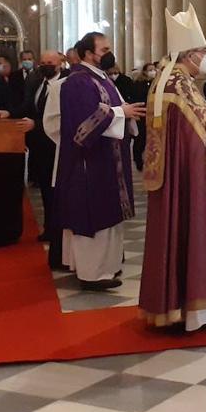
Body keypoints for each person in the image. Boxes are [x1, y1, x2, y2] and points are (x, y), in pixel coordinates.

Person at [140, 5, 206, 329]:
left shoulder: (168, 79)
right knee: (194, 229)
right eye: (201, 51)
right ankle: (197, 307)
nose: (205, 56)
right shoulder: (178, 84)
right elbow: (196, 132)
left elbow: (189, 124)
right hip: (188, 181)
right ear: (189, 54)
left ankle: (175, 305)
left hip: (175, 178)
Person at [55, 32, 144, 290]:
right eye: (103, 49)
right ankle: (92, 273)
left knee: (110, 214)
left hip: (109, 158)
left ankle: (107, 266)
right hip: (90, 163)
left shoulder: (102, 79)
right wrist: (120, 112)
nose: (109, 53)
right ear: (87, 54)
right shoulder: (78, 82)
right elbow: (83, 124)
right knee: (94, 214)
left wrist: (127, 115)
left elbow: (113, 110)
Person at [25, 51, 65, 266]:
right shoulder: (38, 82)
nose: (46, 66)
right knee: (45, 191)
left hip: (56, 145)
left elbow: (60, 118)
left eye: (50, 63)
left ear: (60, 63)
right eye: (43, 63)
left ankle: (56, 229)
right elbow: (32, 108)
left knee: (56, 190)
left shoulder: (66, 83)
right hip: (39, 147)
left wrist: (36, 125)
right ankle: (49, 227)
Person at [128, 62, 155, 170]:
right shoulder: (138, 84)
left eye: (154, 69)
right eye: (150, 70)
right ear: (144, 72)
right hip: (142, 113)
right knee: (140, 139)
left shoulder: (156, 82)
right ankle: (138, 160)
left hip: (153, 115)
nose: (153, 72)